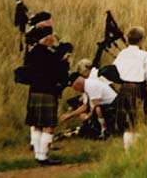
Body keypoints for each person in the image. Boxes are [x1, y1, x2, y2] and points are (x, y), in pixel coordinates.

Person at [24, 12, 71, 165]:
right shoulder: (50, 55)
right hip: (47, 92)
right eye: (51, 39)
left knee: (37, 125)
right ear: (48, 39)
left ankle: (38, 154)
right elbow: (58, 73)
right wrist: (64, 61)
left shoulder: (33, 52)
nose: (53, 41)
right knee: (48, 126)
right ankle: (43, 156)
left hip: (35, 91)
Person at [114, 26, 147, 151]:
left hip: (124, 88)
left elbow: (114, 70)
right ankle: (137, 151)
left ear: (128, 39)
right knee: (138, 121)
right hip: (138, 89)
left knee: (127, 122)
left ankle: (128, 152)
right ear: (141, 40)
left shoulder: (122, 54)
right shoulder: (145, 55)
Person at [60, 72, 118, 138]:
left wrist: (87, 116)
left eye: (75, 88)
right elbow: (85, 106)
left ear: (78, 84)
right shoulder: (85, 88)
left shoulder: (91, 86)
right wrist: (69, 115)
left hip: (112, 106)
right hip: (103, 106)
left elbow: (96, 105)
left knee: (97, 110)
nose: (76, 90)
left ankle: (104, 130)